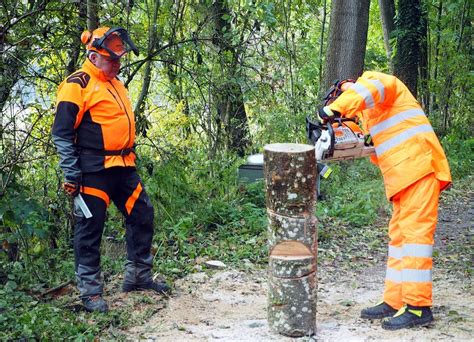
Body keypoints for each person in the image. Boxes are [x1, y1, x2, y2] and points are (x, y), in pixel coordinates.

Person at [318, 71, 452, 330]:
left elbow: (367, 91)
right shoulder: (374, 114)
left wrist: (333, 109)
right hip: (403, 178)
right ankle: (395, 300)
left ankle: (417, 306)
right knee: (400, 239)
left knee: (415, 239)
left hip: (420, 168)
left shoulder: (380, 82)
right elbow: (371, 143)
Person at [52, 27, 170, 313]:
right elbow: (62, 133)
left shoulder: (115, 82)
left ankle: (138, 275)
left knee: (142, 214)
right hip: (93, 171)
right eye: (111, 59)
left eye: (119, 59)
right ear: (93, 56)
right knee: (90, 230)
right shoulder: (77, 84)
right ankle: (90, 293)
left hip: (124, 166)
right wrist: (71, 172)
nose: (117, 64)